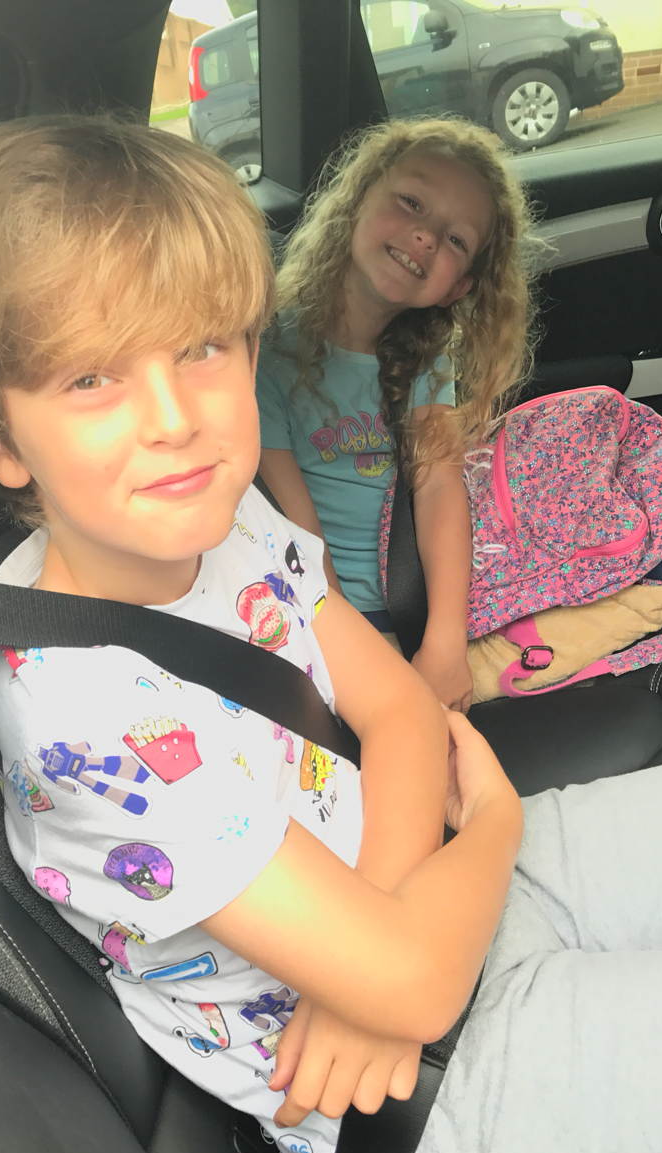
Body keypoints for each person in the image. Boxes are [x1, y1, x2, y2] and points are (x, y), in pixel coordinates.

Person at [0, 114, 662, 1153]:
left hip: (432, 898)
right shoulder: (84, 720)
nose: (174, 419)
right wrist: (488, 827)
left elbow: (399, 713)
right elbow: (416, 987)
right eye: (90, 379)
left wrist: (400, 917)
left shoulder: (233, 525)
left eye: (202, 348)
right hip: (423, 1087)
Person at [256, 117, 541, 713]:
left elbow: (439, 488)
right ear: (359, 198)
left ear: (459, 288)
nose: (425, 237)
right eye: (411, 203)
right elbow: (298, 532)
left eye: (455, 240)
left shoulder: (426, 358)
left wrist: (444, 642)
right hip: (324, 612)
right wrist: (358, 656)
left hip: (417, 607)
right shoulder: (269, 351)